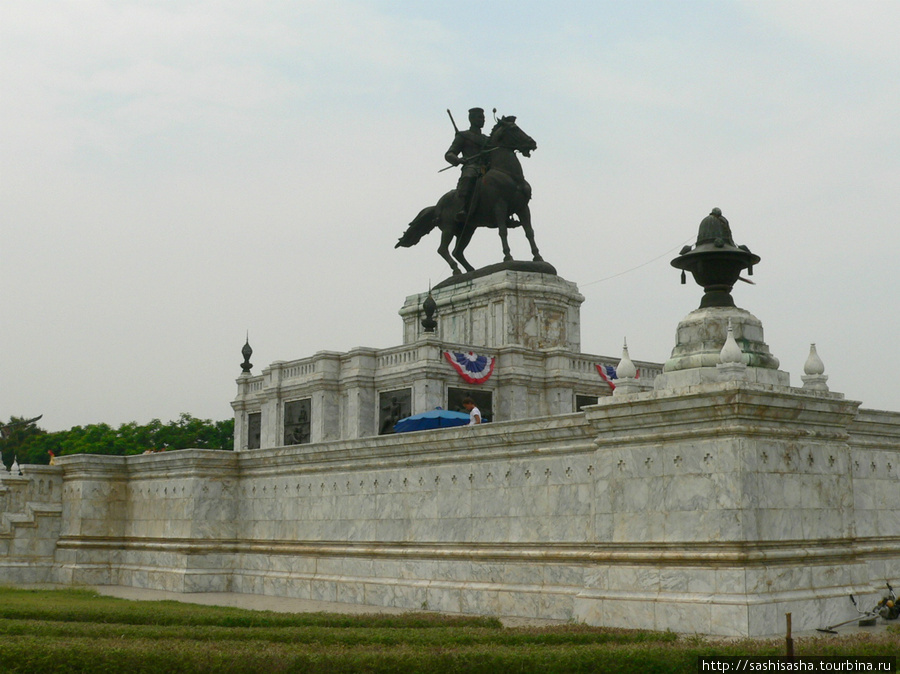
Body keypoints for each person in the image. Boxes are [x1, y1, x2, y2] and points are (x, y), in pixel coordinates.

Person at [445, 107, 490, 222]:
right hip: (472, 166)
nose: (483, 120)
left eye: (484, 118)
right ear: (472, 119)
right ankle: (462, 207)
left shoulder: (487, 139)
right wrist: (458, 160)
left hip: (487, 168)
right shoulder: (463, 136)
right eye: (480, 118)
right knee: (468, 177)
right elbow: (449, 154)